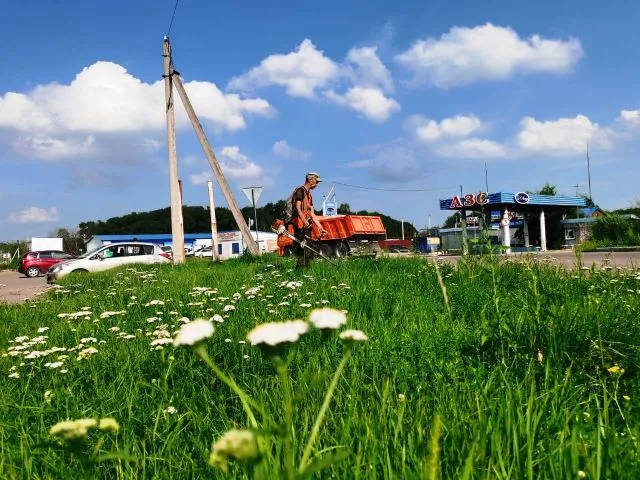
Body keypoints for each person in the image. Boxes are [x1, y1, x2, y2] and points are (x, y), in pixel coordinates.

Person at [289, 172, 327, 267]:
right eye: (316, 181)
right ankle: (302, 271)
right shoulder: (300, 191)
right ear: (310, 180)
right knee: (304, 249)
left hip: (306, 226)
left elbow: (312, 214)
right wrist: (304, 221)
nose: (317, 184)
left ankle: (303, 271)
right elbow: (298, 207)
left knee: (308, 249)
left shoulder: (309, 195)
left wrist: (321, 228)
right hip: (300, 226)